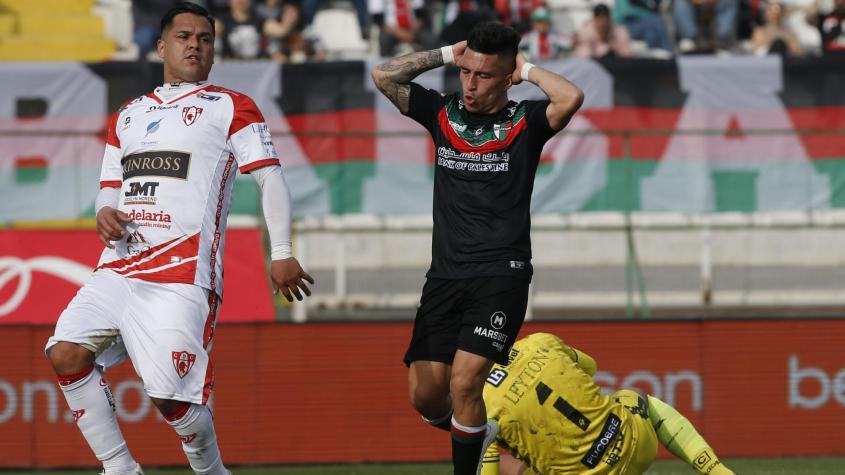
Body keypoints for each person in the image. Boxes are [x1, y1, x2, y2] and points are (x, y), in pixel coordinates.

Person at [44, 3, 313, 474]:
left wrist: (282, 252)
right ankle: (120, 468)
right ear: (162, 46)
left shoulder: (231, 105)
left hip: (181, 273)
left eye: (205, 39)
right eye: (185, 36)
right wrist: (104, 211)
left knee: (171, 400)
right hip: (120, 265)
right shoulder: (129, 113)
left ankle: (211, 471)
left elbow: (271, 179)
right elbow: (110, 185)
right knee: (65, 351)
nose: (195, 45)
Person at [371, 21, 583, 475]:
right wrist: (449, 54)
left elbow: (570, 98)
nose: (470, 84)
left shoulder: (525, 122)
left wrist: (526, 69)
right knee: (426, 396)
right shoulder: (442, 113)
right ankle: (484, 435)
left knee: (466, 382)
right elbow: (385, 76)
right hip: (445, 276)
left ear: (507, 78)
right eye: (467, 73)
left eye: (484, 76)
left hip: (501, 273)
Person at [479, 333, 736, 475]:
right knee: (633, 394)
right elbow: (590, 367)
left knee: (496, 455)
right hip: (634, 447)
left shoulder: (478, 402)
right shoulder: (538, 342)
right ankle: (716, 471)